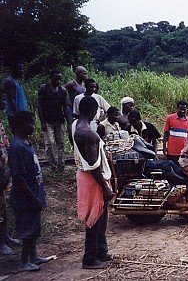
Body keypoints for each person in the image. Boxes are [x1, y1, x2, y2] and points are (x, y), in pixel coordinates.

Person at [72, 96, 114, 269]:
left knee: (101, 217)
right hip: (94, 179)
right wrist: (105, 187)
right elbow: (93, 165)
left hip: (86, 176)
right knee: (95, 218)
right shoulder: (88, 133)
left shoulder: (75, 125)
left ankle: (100, 252)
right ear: (93, 110)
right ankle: (90, 259)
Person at [8, 111, 50, 271]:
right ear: (20, 125)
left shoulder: (26, 143)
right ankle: (24, 262)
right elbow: (18, 177)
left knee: (34, 227)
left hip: (33, 193)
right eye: (30, 123)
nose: (33, 126)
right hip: (25, 198)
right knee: (27, 230)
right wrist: (33, 198)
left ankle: (33, 256)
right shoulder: (17, 147)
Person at [37, 69, 72, 172]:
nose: (59, 81)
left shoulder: (63, 91)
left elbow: (65, 107)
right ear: (51, 78)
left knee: (61, 143)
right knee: (50, 143)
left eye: (60, 79)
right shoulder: (44, 89)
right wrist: (42, 121)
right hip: (48, 120)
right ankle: (53, 166)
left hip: (59, 120)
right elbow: (39, 105)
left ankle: (61, 165)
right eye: (57, 79)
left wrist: (69, 123)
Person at [0, 89, 21, 255]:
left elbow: (5, 146)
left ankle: (5, 237)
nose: (4, 103)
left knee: (3, 208)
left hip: (4, 172)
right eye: (2, 100)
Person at [163, 100, 188, 164]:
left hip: (183, 152)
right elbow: (166, 134)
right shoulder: (170, 118)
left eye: (184, 109)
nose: (182, 111)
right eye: (180, 109)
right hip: (172, 151)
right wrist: (164, 147)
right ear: (177, 108)